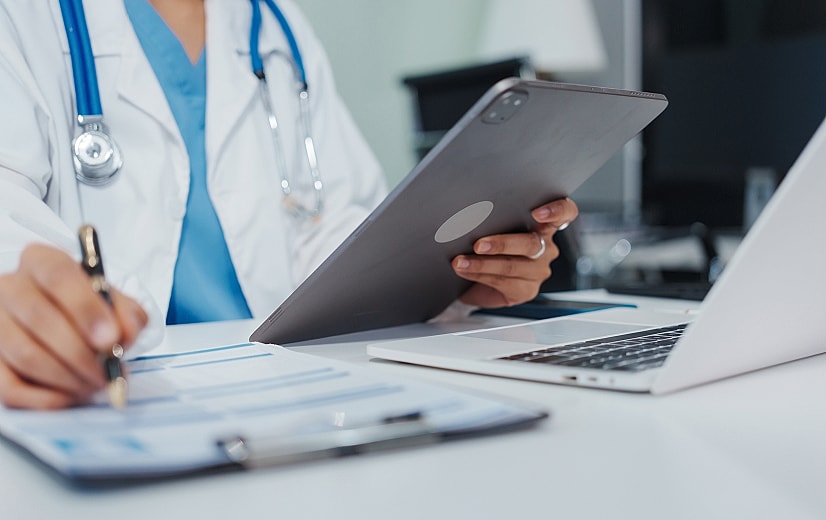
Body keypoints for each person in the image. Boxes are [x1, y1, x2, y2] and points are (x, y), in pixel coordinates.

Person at [0, 0, 578, 409]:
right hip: (116, 396)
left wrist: (454, 273)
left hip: (284, 392)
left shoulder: (276, 27)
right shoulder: (25, 17)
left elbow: (339, 229)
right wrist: (33, 308)